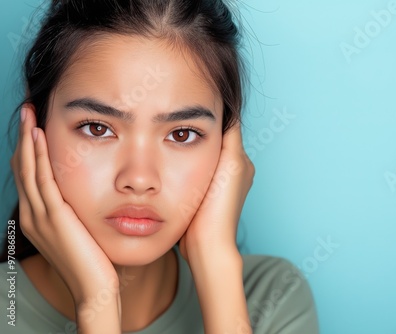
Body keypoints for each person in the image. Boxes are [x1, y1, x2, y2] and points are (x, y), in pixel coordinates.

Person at [0, 0, 319, 333]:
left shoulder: (272, 296)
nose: (139, 179)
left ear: (227, 150)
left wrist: (217, 266)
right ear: (34, 128)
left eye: (182, 134)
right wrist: (98, 300)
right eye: (97, 128)